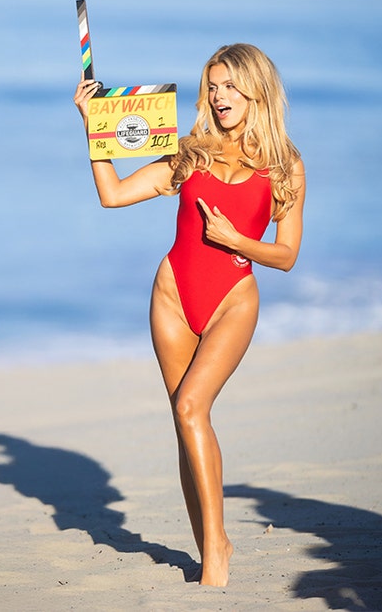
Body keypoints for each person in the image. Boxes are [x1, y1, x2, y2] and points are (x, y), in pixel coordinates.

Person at [72, 43, 305, 587]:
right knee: (184, 419)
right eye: (214, 86)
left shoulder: (284, 163)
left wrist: (236, 238)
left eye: (230, 87)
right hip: (173, 296)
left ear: (256, 90)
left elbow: (287, 254)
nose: (220, 97)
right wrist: (94, 127)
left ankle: (217, 548)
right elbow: (113, 195)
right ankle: (208, 543)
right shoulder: (191, 153)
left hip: (232, 300)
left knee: (193, 405)